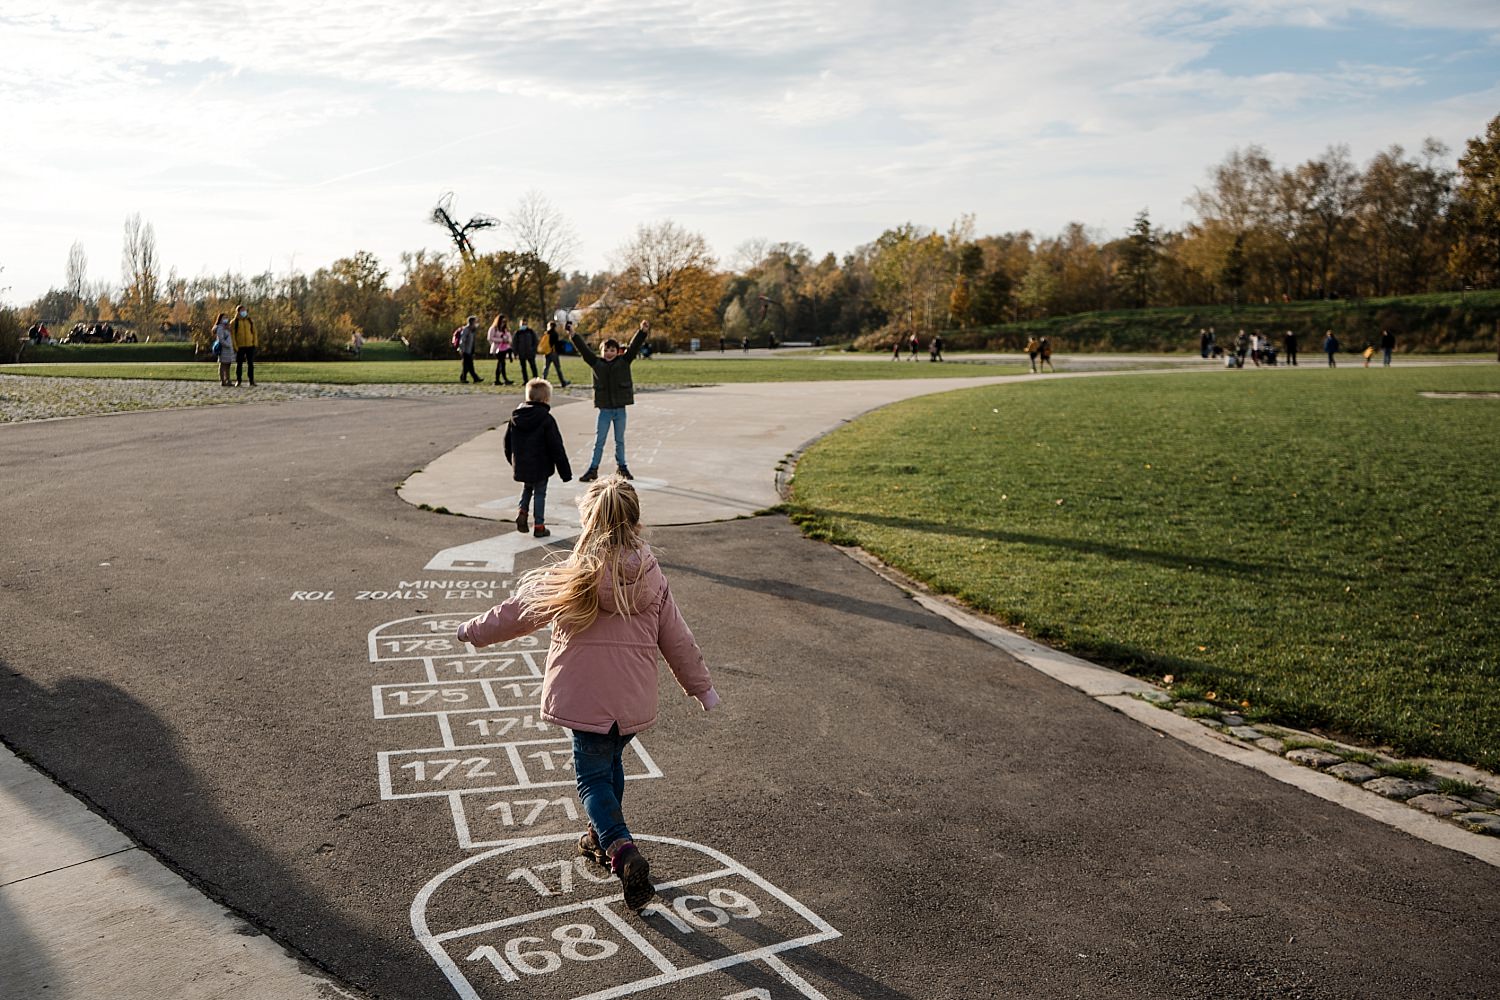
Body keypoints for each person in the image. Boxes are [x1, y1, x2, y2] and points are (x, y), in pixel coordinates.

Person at [456, 475, 720, 912]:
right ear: (635, 522)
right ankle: (599, 837)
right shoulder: (653, 576)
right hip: (631, 701)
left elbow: (518, 613)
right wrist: (702, 688)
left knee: (593, 777)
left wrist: (473, 631)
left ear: (588, 522)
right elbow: (678, 637)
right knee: (611, 763)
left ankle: (621, 850)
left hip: (585, 701)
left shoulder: (575, 574)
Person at [572, 320, 649, 482]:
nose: (609, 353)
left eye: (612, 350)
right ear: (601, 351)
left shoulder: (624, 361)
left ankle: (622, 467)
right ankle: (593, 469)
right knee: (599, 441)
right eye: (606, 350)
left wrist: (642, 331)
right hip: (605, 410)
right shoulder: (596, 364)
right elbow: (584, 350)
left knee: (619, 440)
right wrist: (573, 335)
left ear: (618, 351)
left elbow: (634, 346)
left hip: (620, 409)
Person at [505, 378, 573, 539]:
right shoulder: (546, 419)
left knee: (527, 488)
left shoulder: (515, 418)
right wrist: (565, 473)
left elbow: (507, 443)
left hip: (523, 464)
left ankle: (522, 510)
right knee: (540, 493)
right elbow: (557, 447)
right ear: (545, 399)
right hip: (541, 465)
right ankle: (539, 525)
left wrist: (513, 461)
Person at [231, 304, 257, 386]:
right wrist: (235, 346)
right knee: (239, 364)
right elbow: (233, 335)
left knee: (250, 364)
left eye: (245, 310)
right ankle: (238, 380)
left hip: (250, 345)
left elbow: (254, 332)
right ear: (238, 312)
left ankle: (251, 380)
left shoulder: (250, 321)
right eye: (242, 310)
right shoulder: (234, 322)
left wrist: (255, 343)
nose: (244, 312)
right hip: (240, 346)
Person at [487, 314, 513, 386]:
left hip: (504, 348)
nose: (503, 323)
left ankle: (500, 379)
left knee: (501, 363)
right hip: (496, 349)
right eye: (502, 321)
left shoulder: (505, 329)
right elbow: (490, 338)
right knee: (501, 362)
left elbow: (509, 337)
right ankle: (501, 379)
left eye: (504, 321)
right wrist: (501, 340)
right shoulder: (493, 328)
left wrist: (508, 340)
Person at [455, 315, 480, 384]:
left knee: (466, 365)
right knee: (469, 365)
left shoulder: (472, 330)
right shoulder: (466, 329)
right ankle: (475, 378)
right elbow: (462, 340)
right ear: (472, 322)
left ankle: (463, 378)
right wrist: (462, 350)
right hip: (465, 350)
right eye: (475, 322)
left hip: (469, 350)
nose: (476, 323)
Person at [211, 312, 234, 387]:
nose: (226, 319)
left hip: (229, 349)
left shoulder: (227, 327)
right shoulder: (220, 328)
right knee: (223, 365)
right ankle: (223, 380)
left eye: (226, 317)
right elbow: (221, 339)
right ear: (220, 319)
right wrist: (227, 345)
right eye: (224, 317)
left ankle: (228, 379)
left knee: (228, 365)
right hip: (224, 349)